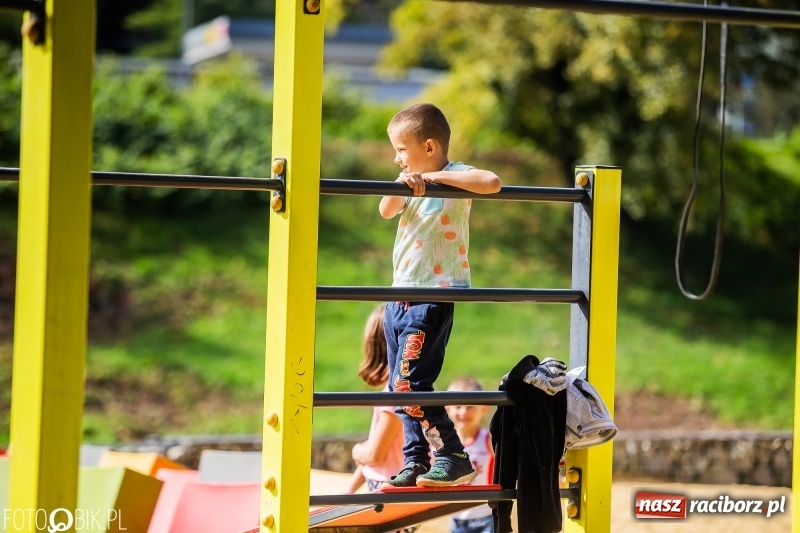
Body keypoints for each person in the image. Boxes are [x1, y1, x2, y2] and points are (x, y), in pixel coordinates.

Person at [378, 102, 502, 488]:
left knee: (410, 383)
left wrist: (436, 182)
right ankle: (415, 460)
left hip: (433, 296)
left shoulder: (456, 174)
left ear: (429, 147)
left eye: (401, 149)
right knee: (396, 389)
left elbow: (492, 183)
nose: (396, 158)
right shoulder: (408, 180)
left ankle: (452, 455)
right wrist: (405, 186)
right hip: (399, 298)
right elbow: (386, 210)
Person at [345, 303, 405, 494]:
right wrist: (348, 492)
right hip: (390, 485)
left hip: (390, 489)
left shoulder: (395, 396)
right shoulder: (404, 388)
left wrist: (357, 450)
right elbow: (376, 459)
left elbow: (375, 455)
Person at [445, 376, 494, 533]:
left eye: (470, 406)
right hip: (456, 517)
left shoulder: (488, 439)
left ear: (483, 408)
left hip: (485, 517)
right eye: (458, 406)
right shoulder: (443, 443)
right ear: (448, 409)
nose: (464, 412)